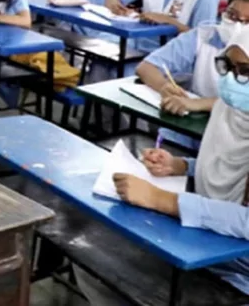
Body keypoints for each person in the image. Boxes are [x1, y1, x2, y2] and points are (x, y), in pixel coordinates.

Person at [81, 31, 249, 303]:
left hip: (240, 270)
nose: (231, 79)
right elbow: (226, 164)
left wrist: (160, 199)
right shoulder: (231, 108)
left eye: (245, 70)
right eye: (227, 66)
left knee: (115, 269)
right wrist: (180, 166)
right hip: (210, 239)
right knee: (98, 253)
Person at [136, 0, 249, 151]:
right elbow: (146, 67)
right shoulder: (204, 35)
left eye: (247, 22)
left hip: (236, 135)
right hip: (189, 124)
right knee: (161, 161)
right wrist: (164, 87)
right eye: (232, 15)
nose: (237, 25)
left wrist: (199, 103)